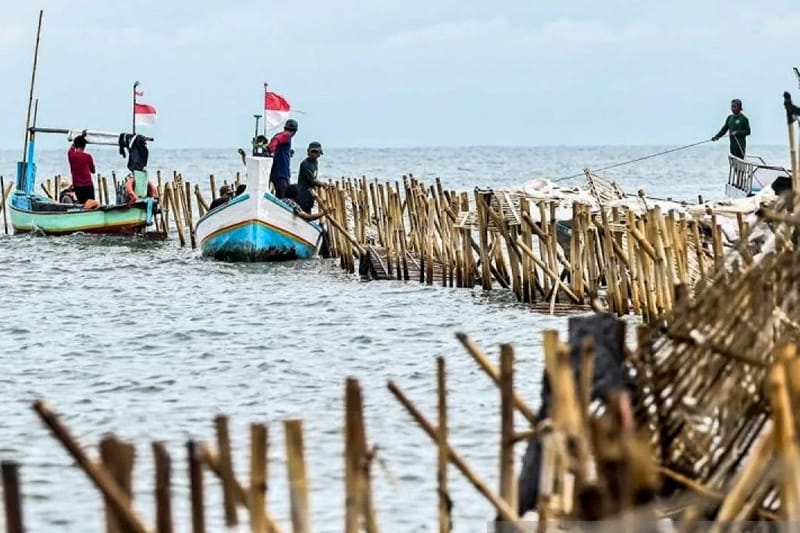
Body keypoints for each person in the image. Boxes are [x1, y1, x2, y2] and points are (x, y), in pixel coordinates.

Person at [267, 119, 298, 198]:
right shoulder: (286, 135)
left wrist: (289, 153)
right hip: (280, 173)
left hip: (280, 172)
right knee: (283, 196)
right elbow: (275, 140)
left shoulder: (283, 136)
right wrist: (272, 150)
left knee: (281, 195)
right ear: (295, 131)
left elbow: (279, 148)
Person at [296, 141, 329, 213]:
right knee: (305, 211)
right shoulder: (305, 164)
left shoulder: (315, 162)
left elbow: (314, 177)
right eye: (313, 152)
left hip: (310, 194)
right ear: (309, 152)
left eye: (316, 152)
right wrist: (322, 184)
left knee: (309, 209)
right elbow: (312, 180)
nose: (314, 154)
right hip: (303, 193)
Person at [67, 134, 96, 203]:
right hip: (88, 185)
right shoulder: (88, 156)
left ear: (75, 145)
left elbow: (72, 147)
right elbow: (93, 171)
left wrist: (78, 139)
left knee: (82, 205)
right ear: (84, 146)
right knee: (91, 205)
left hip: (78, 186)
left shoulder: (71, 155)